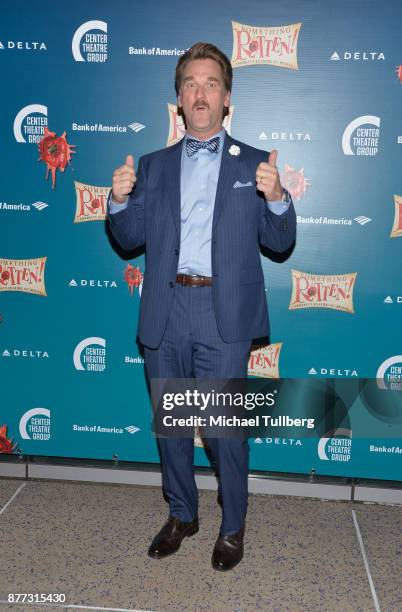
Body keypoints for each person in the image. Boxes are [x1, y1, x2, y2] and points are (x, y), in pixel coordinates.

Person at [108, 42, 296, 571]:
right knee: (172, 426)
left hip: (223, 315)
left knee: (223, 431)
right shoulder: (151, 165)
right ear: (179, 99)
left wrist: (278, 197)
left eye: (211, 83)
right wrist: (120, 200)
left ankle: (232, 525)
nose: (201, 93)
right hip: (166, 312)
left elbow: (280, 243)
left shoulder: (256, 165)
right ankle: (182, 513)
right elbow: (128, 238)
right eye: (191, 83)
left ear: (227, 97)